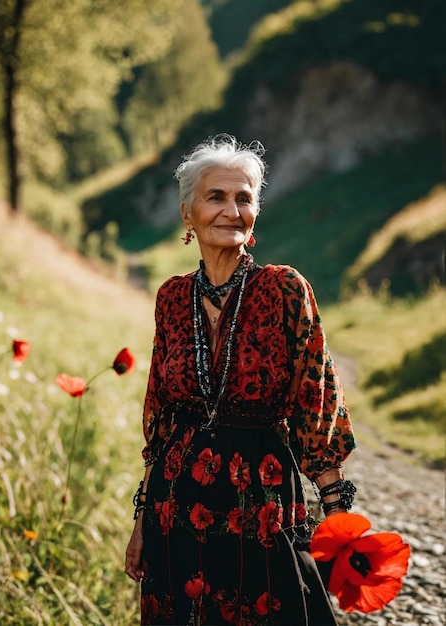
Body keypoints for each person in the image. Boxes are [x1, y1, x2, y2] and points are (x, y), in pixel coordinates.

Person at [125, 134, 356, 626]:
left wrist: (336, 509)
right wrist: (143, 518)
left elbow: (318, 401)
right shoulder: (171, 298)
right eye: (216, 196)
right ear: (188, 213)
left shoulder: (285, 288)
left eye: (244, 197)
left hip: (264, 501)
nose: (232, 209)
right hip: (177, 505)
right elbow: (161, 416)